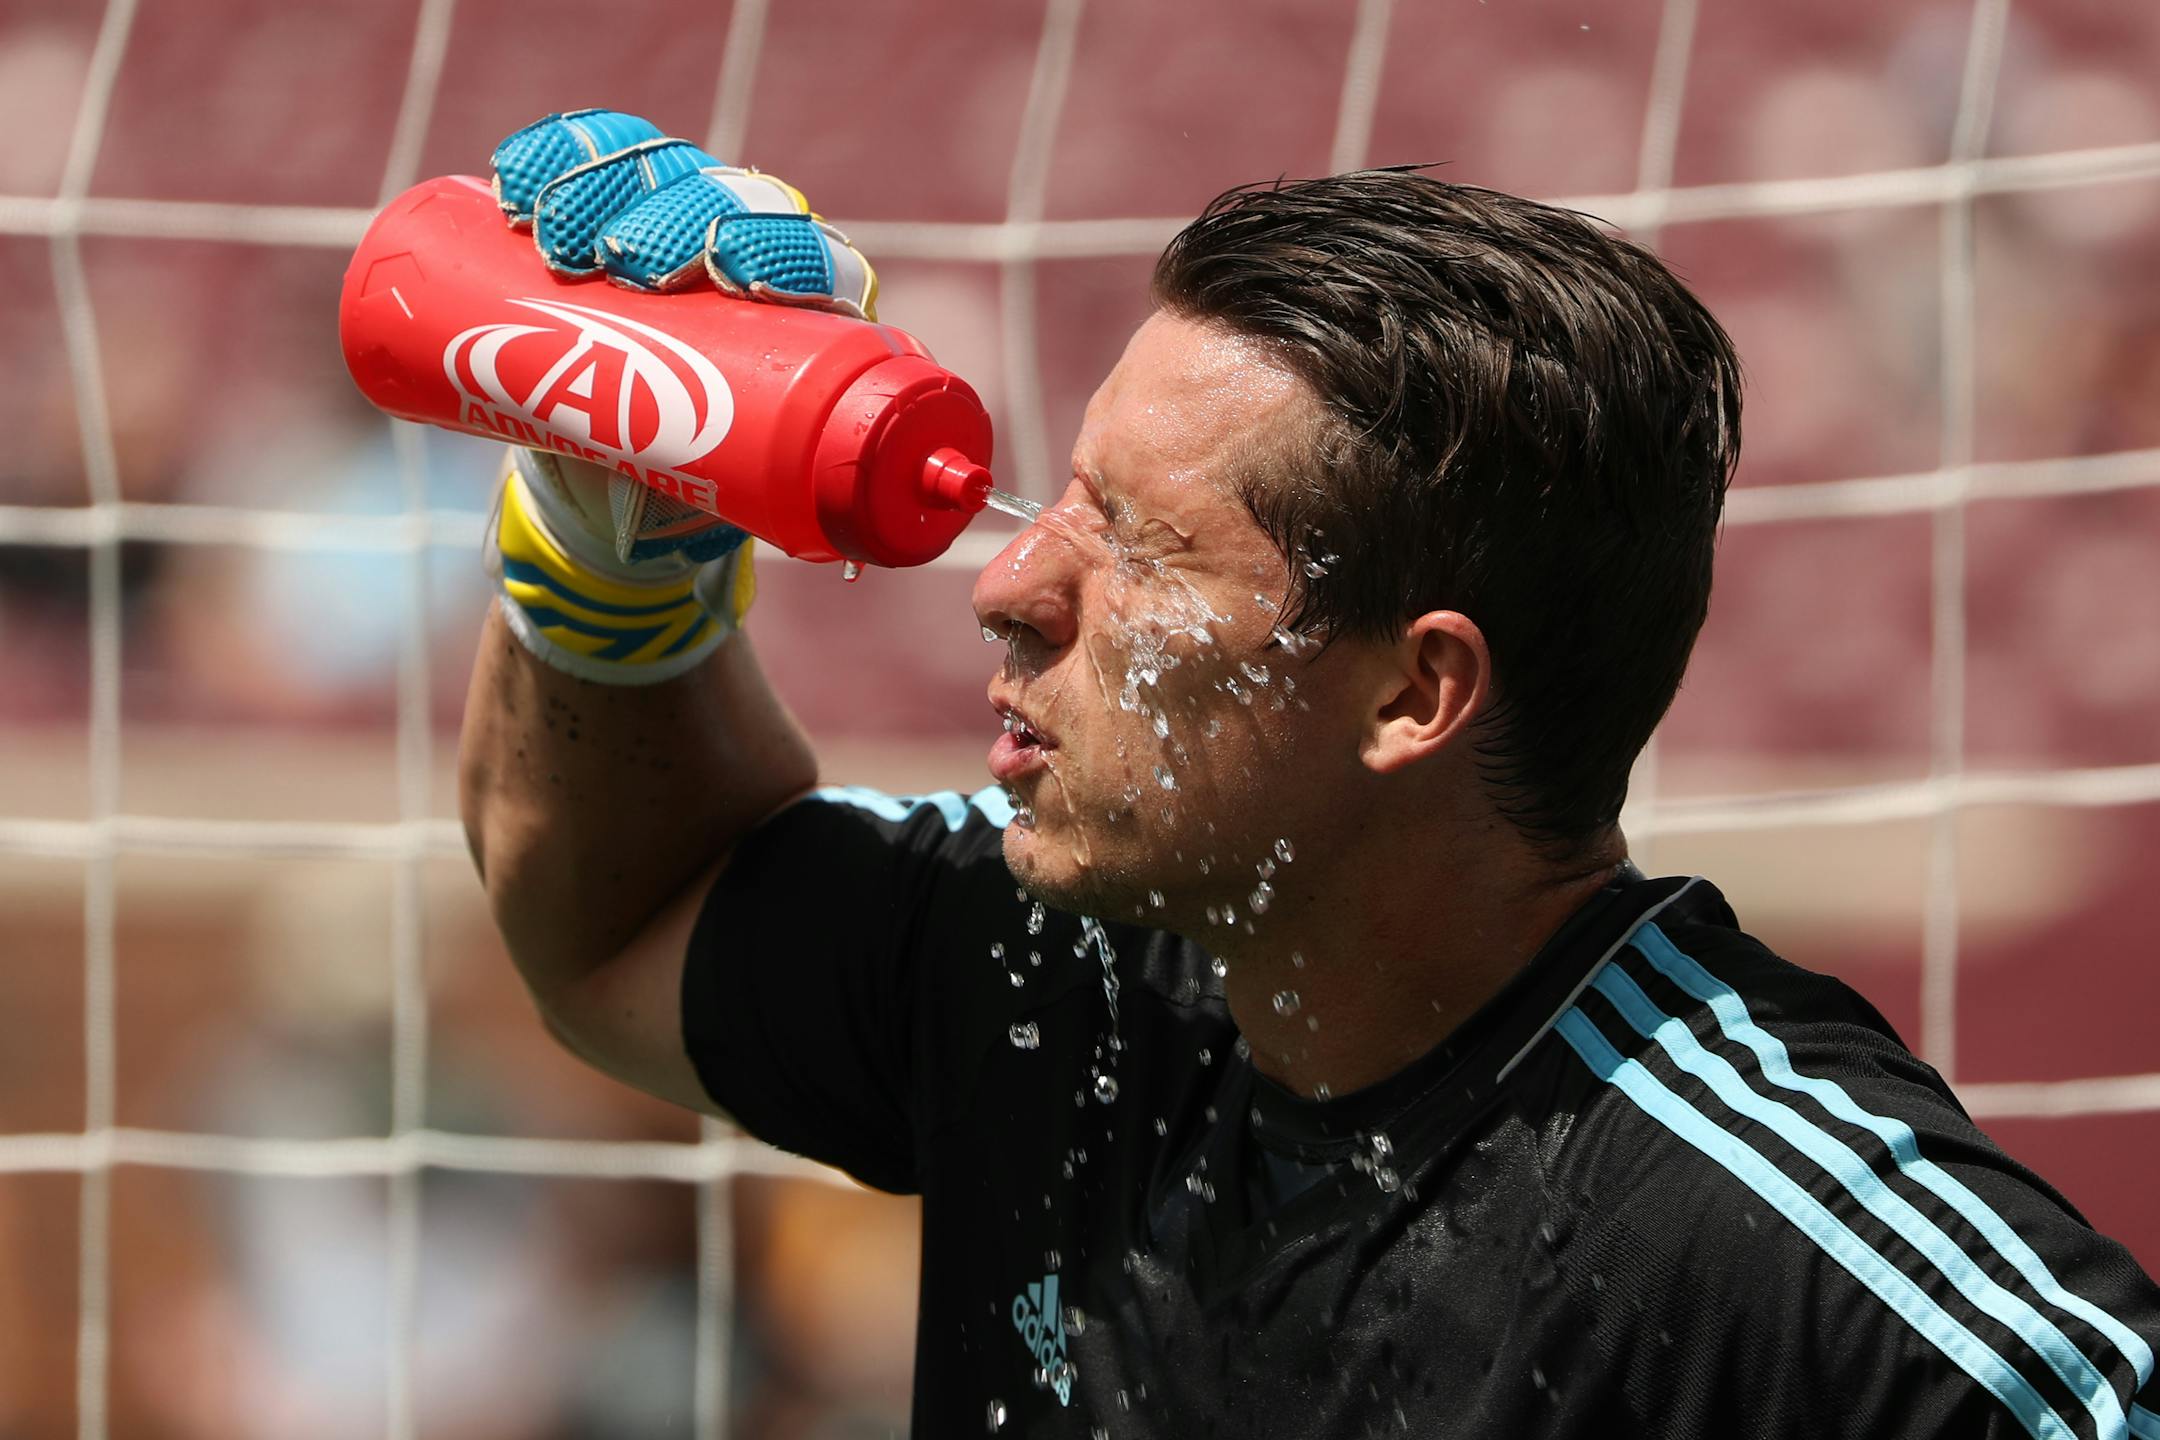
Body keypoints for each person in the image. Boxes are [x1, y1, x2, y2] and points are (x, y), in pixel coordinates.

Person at [454, 111, 2160, 1437]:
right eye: (1062, 498)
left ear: (1416, 693)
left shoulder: (1746, 1236)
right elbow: (627, 919)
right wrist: (616, 555)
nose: (1006, 585)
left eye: (1140, 547)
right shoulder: (1070, 974)